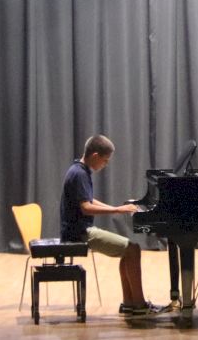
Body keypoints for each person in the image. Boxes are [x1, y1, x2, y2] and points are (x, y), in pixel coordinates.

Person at [60, 134, 158, 316]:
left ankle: (130, 303)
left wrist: (115, 208)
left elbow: (89, 199)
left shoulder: (78, 169)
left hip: (79, 229)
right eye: (105, 161)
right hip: (79, 233)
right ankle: (139, 305)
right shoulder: (79, 174)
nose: (105, 165)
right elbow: (86, 208)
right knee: (133, 250)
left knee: (130, 250)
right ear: (95, 156)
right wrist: (118, 210)